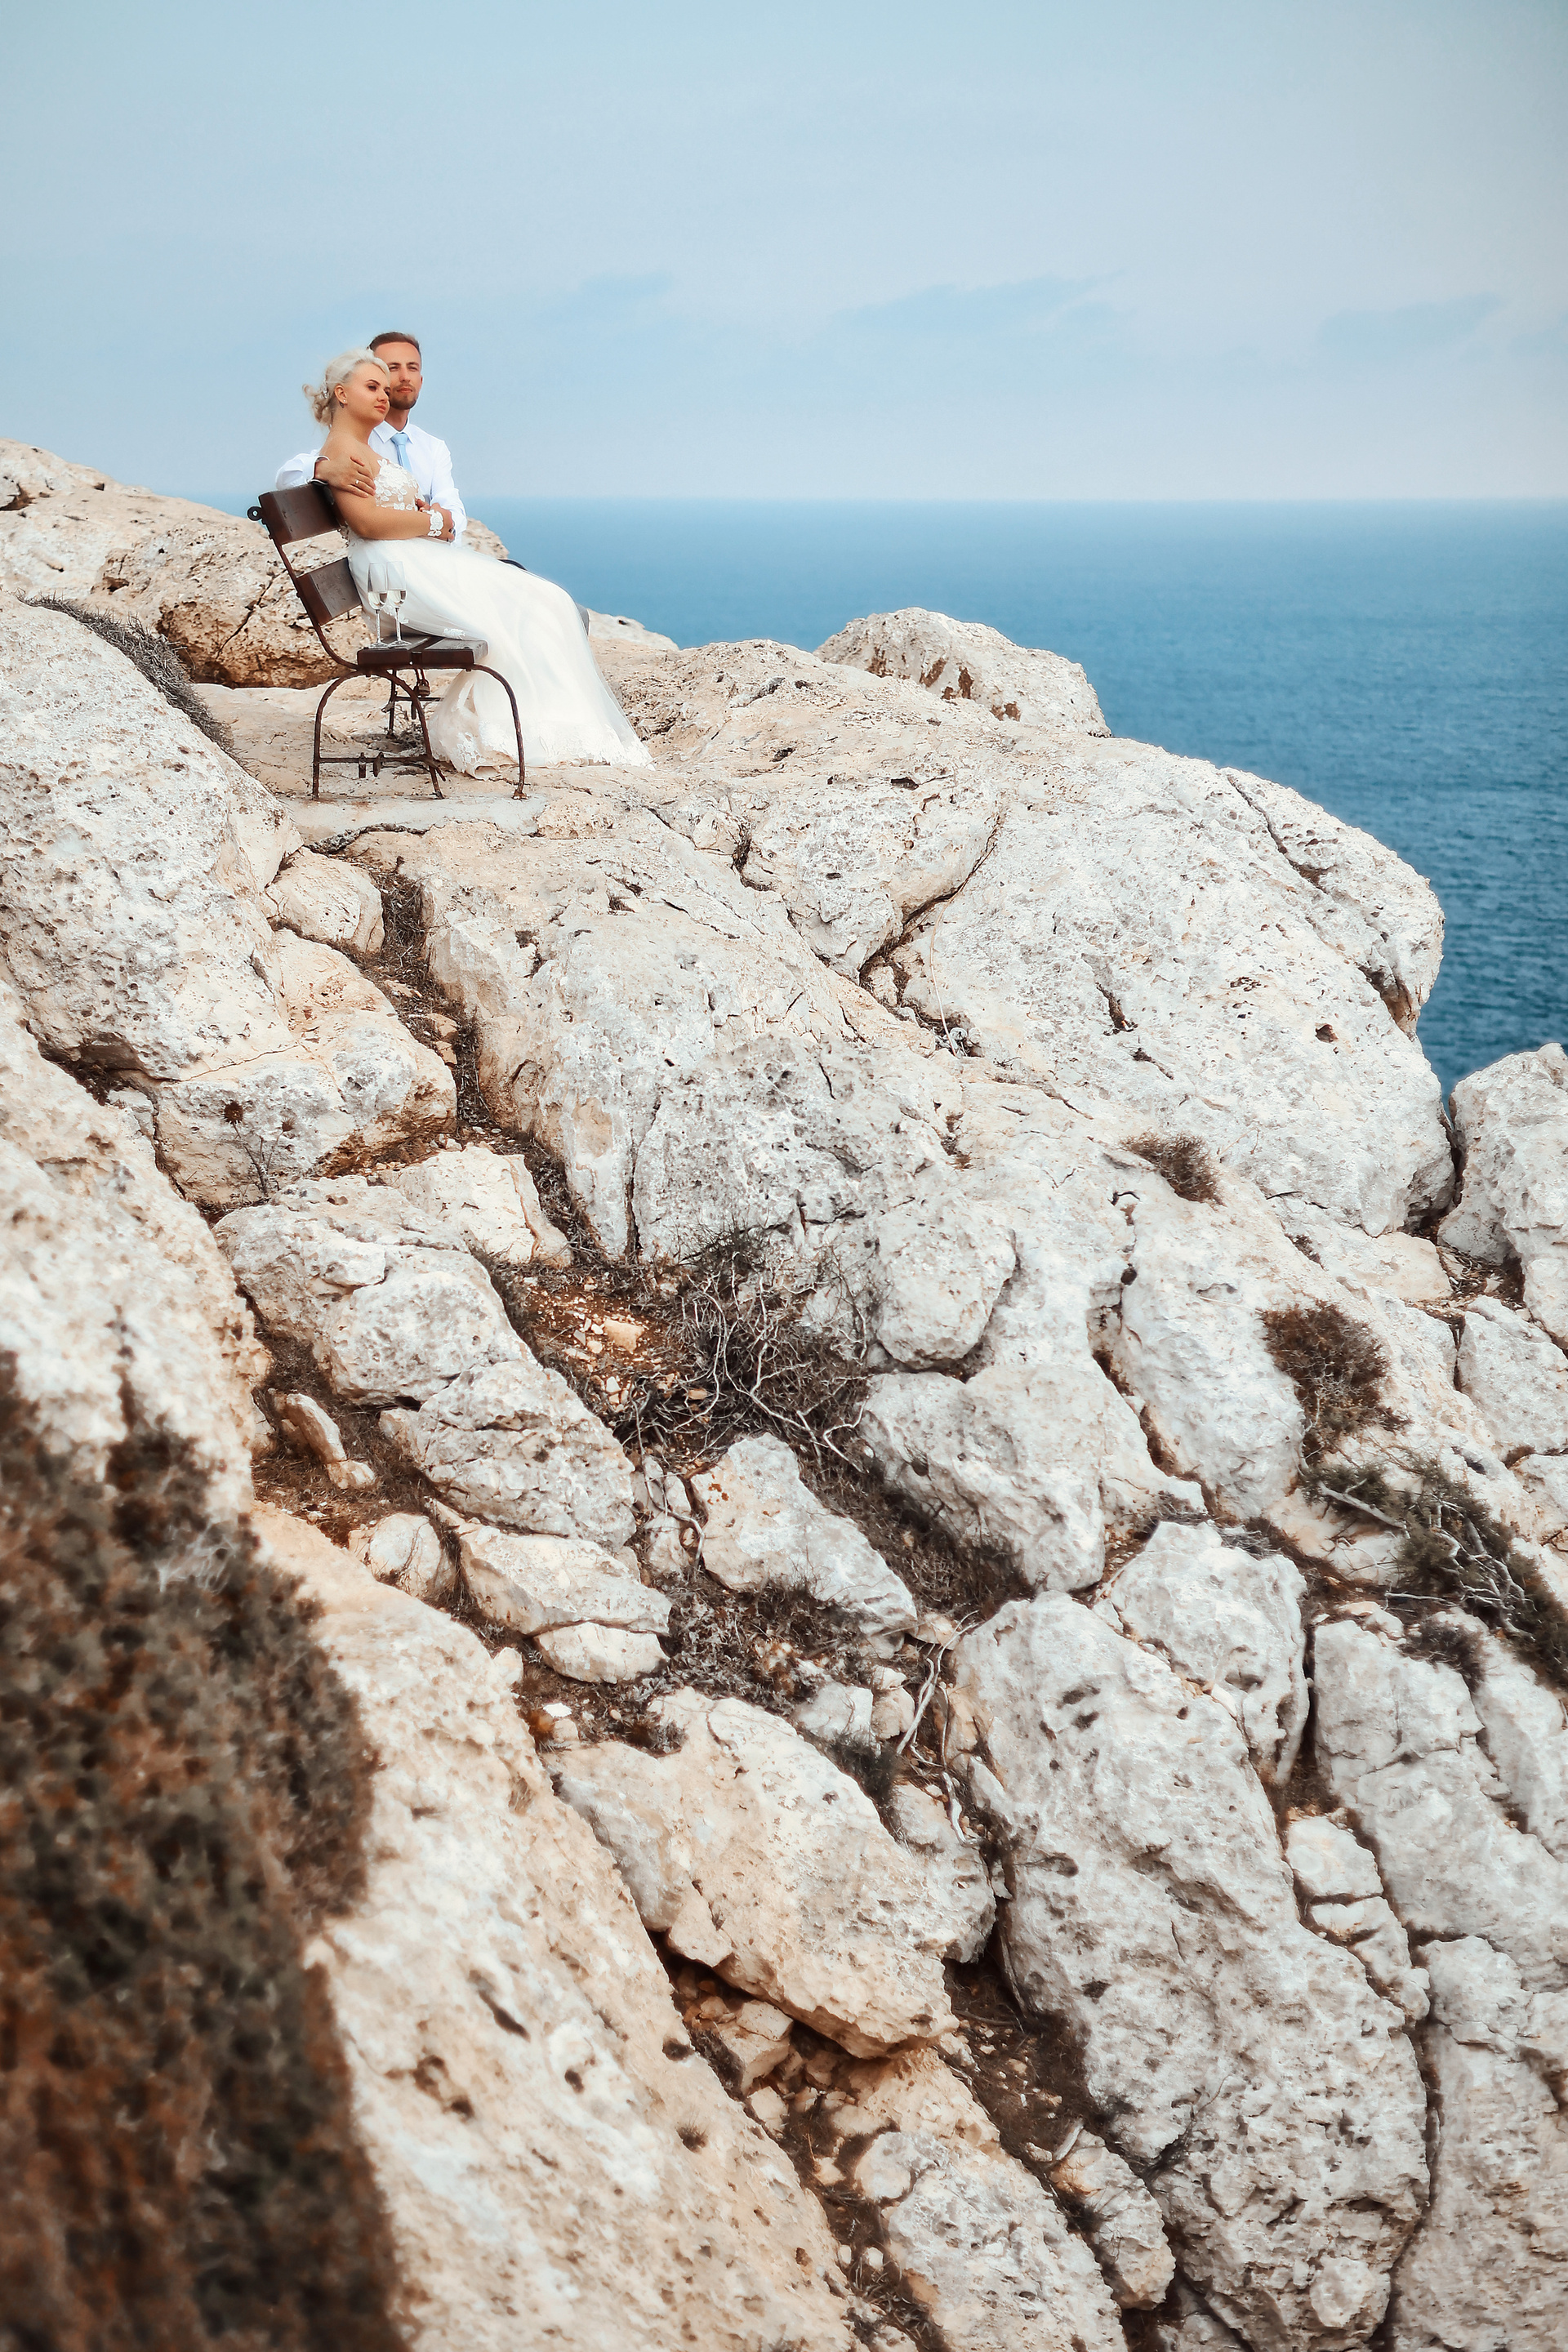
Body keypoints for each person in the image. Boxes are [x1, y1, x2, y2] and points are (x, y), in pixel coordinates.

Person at [301, 348, 648, 773]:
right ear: (341, 393)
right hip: (394, 574)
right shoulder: (341, 453)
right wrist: (433, 521)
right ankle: (525, 726)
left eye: (385, 390)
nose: (383, 396)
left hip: (408, 560)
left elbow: (387, 510)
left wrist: (419, 515)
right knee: (540, 603)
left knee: (546, 601)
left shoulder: (358, 448)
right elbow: (368, 523)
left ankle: (545, 723)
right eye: (372, 387)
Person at [277, 331, 467, 540]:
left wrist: (441, 524)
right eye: (393, 367)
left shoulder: (434, 447)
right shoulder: (353, 442)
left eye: (412, 367)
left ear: (421, 380)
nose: (404, 377)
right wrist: (322, 469)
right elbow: (287, 476)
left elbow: (450, 504)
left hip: (424, 545)